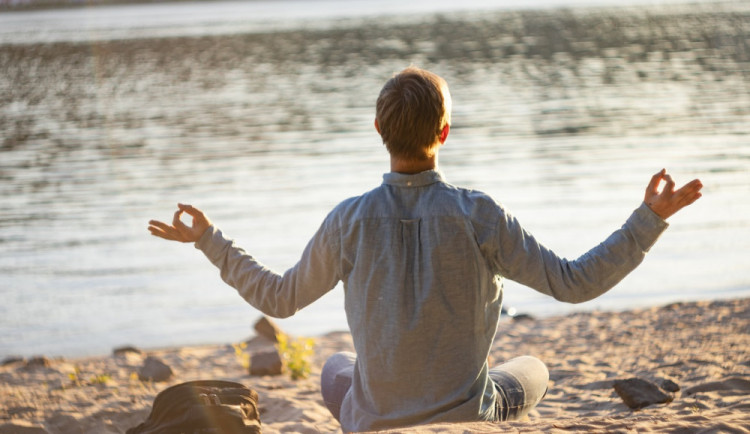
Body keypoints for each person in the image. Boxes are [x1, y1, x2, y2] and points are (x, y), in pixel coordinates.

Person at [148, 67, 703, 432]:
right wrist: (648, 220)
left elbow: (279, 298)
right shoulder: (478, 213)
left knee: (336, 369)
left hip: (374, 419)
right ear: (444, 133)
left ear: (377, 130)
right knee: (534, 368)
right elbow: (574, 282)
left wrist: (209, 240)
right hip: (468, 415)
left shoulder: (348, 219)